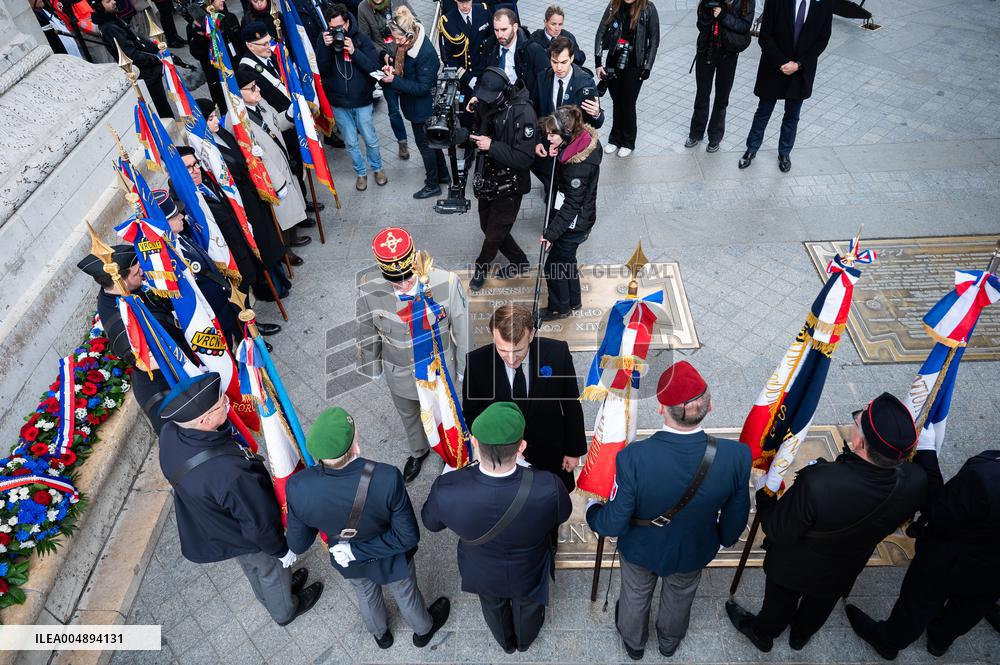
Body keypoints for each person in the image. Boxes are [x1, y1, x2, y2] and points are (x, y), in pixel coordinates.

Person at [727, 393, 928, 652]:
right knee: (821, 602)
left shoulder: (819, 483)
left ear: (860, 441)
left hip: (794, 566)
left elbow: (778, 530)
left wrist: (766, 495)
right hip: (845, 565)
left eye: (857, 423)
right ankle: (800, 636)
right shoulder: (916, 479)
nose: (854, 423)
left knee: (780, 601)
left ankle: (764, 633)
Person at [587, 361, 751, 660]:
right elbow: (736, 518)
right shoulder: (737, 456)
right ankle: (669, 642)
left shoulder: (633, 457)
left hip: (641, 548)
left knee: (635, 594)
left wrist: (593, 511)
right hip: (693, 547)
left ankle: (634, 644)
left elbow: (615, 521)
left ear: (661, 407)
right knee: (680, 595)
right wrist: (722, 537)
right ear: (710, 406)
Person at [156, 372, 322, 626]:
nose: (227, 402)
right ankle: (284, 610)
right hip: (243, 532)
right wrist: (280, 549)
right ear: (205, 419)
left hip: (216, 524)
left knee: (253, 567)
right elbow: (259, 525)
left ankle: (275, 593)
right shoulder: (229, 474)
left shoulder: (171, 431)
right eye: (221, 403)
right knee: (269, 567)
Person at [285, 407, 451, 649]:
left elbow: (298, 543)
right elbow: (408, 537)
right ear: (355, 445)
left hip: (345, 557)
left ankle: (381, 635)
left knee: (365, 592)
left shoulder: (298, 487)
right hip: (390, 555)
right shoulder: (386, 477)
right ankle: (423, 630)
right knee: (405, 591)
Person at [422, 402, 572, 654]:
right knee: (530, 605)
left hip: (481, 568)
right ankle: (525, 641)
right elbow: (563, 514)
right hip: (529, 566)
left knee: (492, 606)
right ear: (522, 447)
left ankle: (506, 642)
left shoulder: (446, 488)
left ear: (476, 443)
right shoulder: (548, 486)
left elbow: (431, 523)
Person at [846, 449, 1000, 660]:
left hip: (952, 557)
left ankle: (889, 641)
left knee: (919, 601)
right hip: (992, 571)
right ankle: (940, 640)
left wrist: (927, 454)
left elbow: (939, 510)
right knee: (972, 605)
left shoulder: (987, 477)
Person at [356, 227, 468, 482]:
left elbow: (463, 330)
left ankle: (449, 452)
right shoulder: (369, 289)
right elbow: (366, 329)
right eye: (397, 281)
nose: (405, 285)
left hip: (438, 370)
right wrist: (372, 367)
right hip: (399, 372)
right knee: (408, 415)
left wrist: (463, 367)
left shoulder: (446, 282)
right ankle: (418, 451)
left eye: (409, 278)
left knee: (444, 413)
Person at [462, 303, 585, 492]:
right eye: (502, 350)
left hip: (550, 452)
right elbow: (472, 413)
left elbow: (571, 404)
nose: (511, 359)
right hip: (501, 459)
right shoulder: (476, 363)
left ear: (532, 334)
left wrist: (574, 450)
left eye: (518, 351)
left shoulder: (557, 353)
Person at [195, 97, 293, 295]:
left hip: (250, 191)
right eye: (210, 118)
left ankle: (280, 275)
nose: (216, 121)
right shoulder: (204, 149)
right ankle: (269, 287)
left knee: (267, 235)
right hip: (238, 201)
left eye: (215, 116)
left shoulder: (221, 132)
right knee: (258, 243)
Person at [77, 244, 180, 431]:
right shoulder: (120, 326)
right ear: (119, 280)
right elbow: (148, 361)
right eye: (136, 272)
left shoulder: (129, 290)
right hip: (166, 388)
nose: (143, 272)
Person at [238, 21, 323, 221]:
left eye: (269, 42)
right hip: (276, 127)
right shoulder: (247, 69)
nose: (269, 47)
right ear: (250, 46)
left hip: (288, 119)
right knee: (290, 167)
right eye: (264, 44)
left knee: (298, 163)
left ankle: (303, 201)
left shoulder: (271, 57)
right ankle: (299, 209)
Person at [738, 0, 832, 173]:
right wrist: (782, 63)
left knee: (792, 116)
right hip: (774, 67)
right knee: (763, 112)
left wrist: (798, 65)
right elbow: (765, 36)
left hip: (800, 71)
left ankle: (784, 153)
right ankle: (751, 149)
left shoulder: (824, 4)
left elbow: (822, 40)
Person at [466, 67, 537, 291]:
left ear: (503, 91)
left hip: (511, 183)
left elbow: (525, 158)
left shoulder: (523, 112)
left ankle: (481, 268)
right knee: (487, 226)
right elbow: (483, 129)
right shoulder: (487, 102)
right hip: (488, 176)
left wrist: (492, 146)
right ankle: (520, 261)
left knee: (494, 233)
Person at [233, 68, 311, 259]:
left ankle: (292, 236)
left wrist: (290, 114)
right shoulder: (235, 121)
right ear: (237, 93)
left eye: (256, 85)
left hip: (281, 159)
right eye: (251, 88)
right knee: (277, 213)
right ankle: (284, 249)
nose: (257, 90)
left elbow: (276, 122)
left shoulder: (261, 103)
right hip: (267, 174)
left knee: (289, 203)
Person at [152, 188, 243, 348]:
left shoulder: (179, 237)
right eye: (175, 216)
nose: (181, 216)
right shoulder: (169, 259)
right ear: (165, 225)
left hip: (223, 307)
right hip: (213, 317)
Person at [537, 106, 601, 319]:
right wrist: (559, 153)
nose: (548, 137)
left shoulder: (577, 168)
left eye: (552, 134)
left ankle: (560, 307)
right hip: (578, 218)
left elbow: (571, 205)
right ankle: (574, 301)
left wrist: (550, 234)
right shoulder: (579, 143)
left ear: (566, 133)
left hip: (575, 223)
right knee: (567, 261)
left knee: (553, 266)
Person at [316, 4, 388, 192]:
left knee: (370, 138)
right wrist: (326, 48)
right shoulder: (324, 40)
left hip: (362, 100)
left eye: (340, 27)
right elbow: (321, 69)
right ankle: (360, 173)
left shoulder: (361, 39)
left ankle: (378, 169)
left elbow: (374, 68)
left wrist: (354, 51)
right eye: (332, 28)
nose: (336, 31)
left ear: (347, 24)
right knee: (350, 142)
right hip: (338, 102)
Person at [380, 7, 449, 200]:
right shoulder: (408, 44)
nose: (396, 42)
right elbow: (406, 72)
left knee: (425, 146)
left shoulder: (425, 53)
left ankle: (433, 184)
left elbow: (421, 87)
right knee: (432, 144)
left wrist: (394, 81)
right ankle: (443, 175)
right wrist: (393, 70)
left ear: (409, 34)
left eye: (398, 39)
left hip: (423, 108)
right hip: (415, 106)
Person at [530, 36, 603, 197]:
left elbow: (597, 123)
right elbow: (533, 110)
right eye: (554, 62)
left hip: (574, 147)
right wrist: (536, 141)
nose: (559, 67)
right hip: (548, 144)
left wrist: (596, 113)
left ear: (571, 58)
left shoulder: (585, 82)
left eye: (563, 62)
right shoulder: (543, 77)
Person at [685, 0, 755, 153]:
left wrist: (723, 16)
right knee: (702, 94)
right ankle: (696, 133)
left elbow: (745, 26)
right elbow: (700, 25)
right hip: (706, 50)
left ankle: (715, 137)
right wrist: (709, 13)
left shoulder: (746, 1)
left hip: (728, 53)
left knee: (722, 98)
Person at [594, 0, 659, 157]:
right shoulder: (613, 5)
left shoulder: (648, 8)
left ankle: (628, 141)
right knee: (617, 101)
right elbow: (600, 32)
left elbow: (654, 40)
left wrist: (647, 66)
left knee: (628, 103)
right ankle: (615, 139)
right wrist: (598, 62)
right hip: (614, 61)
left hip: (635, 63)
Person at [91, 0, 173, 118]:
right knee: (163, 114)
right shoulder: (109, 27)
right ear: (99, 7)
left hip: (150, 71)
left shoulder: (113, 19)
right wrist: (155, 58)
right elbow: (132, 55)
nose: (114, 2)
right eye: (108, 1)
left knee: (164, 108)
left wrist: (156, 49)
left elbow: (137, 39)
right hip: (146, 75)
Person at [357, 0, 414, 160]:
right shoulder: (363, 8)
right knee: (394, 110)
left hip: (406, 61)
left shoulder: (399, 2)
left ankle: (424, 137)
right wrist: (383, 54)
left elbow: (415, 22)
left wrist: (404, 48)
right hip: (385, 66)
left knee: (414, 102)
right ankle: (402, 142)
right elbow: (365, 39)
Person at [478, 8, 548, 107]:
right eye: (496, 30)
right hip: (494, 104)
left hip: (522, 107)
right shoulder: (490, 45)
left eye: (504, 29)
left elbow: (545, 85)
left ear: (515, 27)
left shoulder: (533, 51)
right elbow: (481, 75)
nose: (499, 35)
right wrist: (476, 96)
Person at [187, 0, 241, 113]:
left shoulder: (229, 17)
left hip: (237, 71)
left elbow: (240, 44)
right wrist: (203, 31)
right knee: (227, 111)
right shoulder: (193, 27)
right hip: (216, 77)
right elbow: (198, 54)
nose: (223, 0)